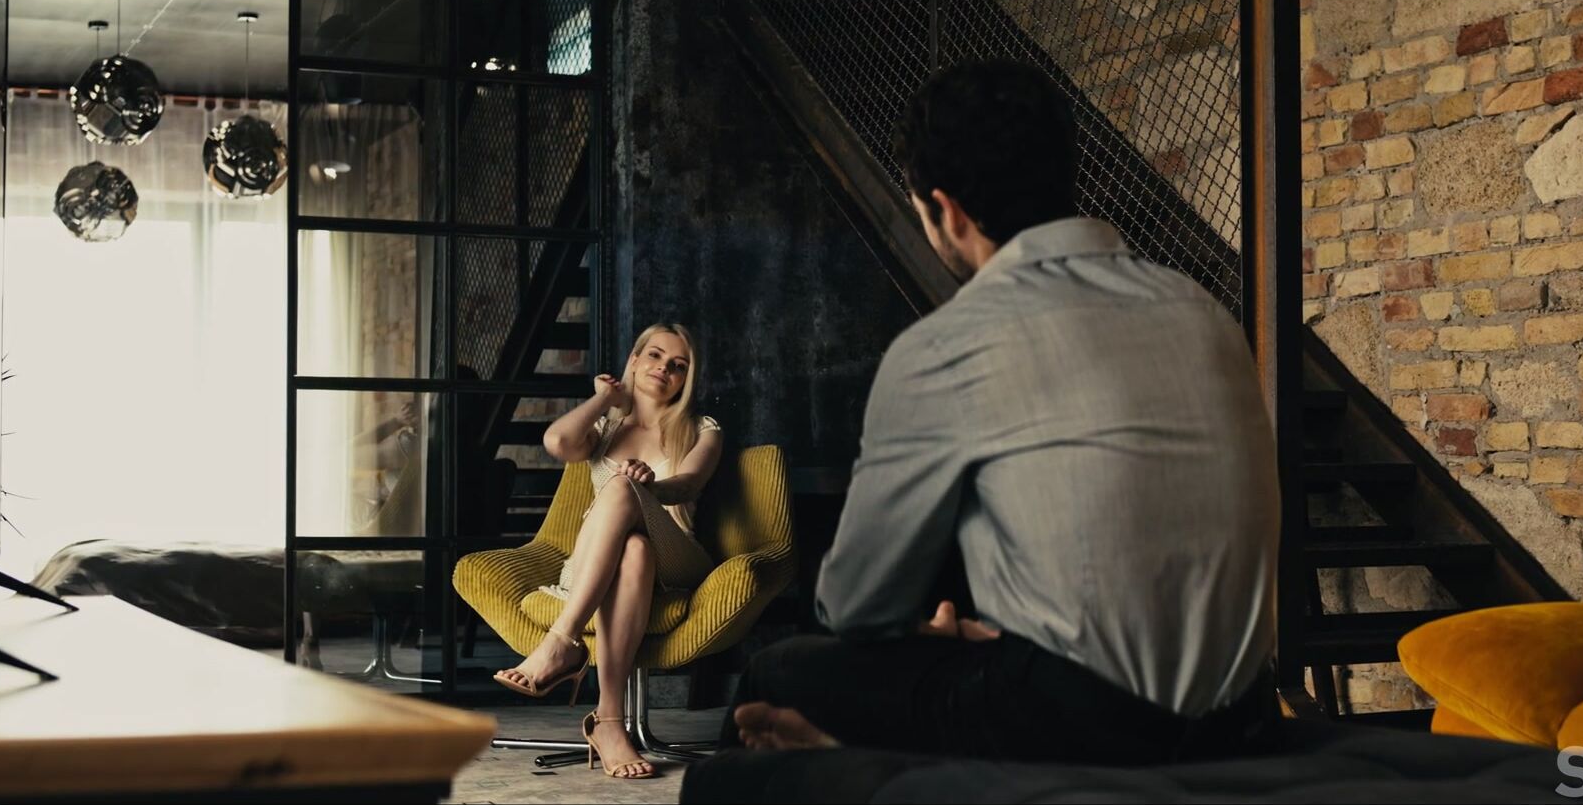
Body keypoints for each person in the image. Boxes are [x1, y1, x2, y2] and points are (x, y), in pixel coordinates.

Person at [723, 60, 1281, 766]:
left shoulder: (949, 344)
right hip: (1242, 716)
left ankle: (856, 764)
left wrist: (939, 634)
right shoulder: (1202, 310)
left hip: (1091, 726)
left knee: (776, 675)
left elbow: (857, 601)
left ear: (947, 210)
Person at [492, 323, 723, 780]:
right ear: (634, 360)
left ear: (686, 379)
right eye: (654, 355)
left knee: (621, 489)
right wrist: (604, 399)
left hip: (676, 557)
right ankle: (610, 722)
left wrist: (650, 487)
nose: (664, 368)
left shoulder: (702, 428)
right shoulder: (606, 427)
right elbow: (556, 443)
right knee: (633, 548)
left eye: (678, 365)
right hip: (603, 560)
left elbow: (689, 483)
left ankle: (562, 642)